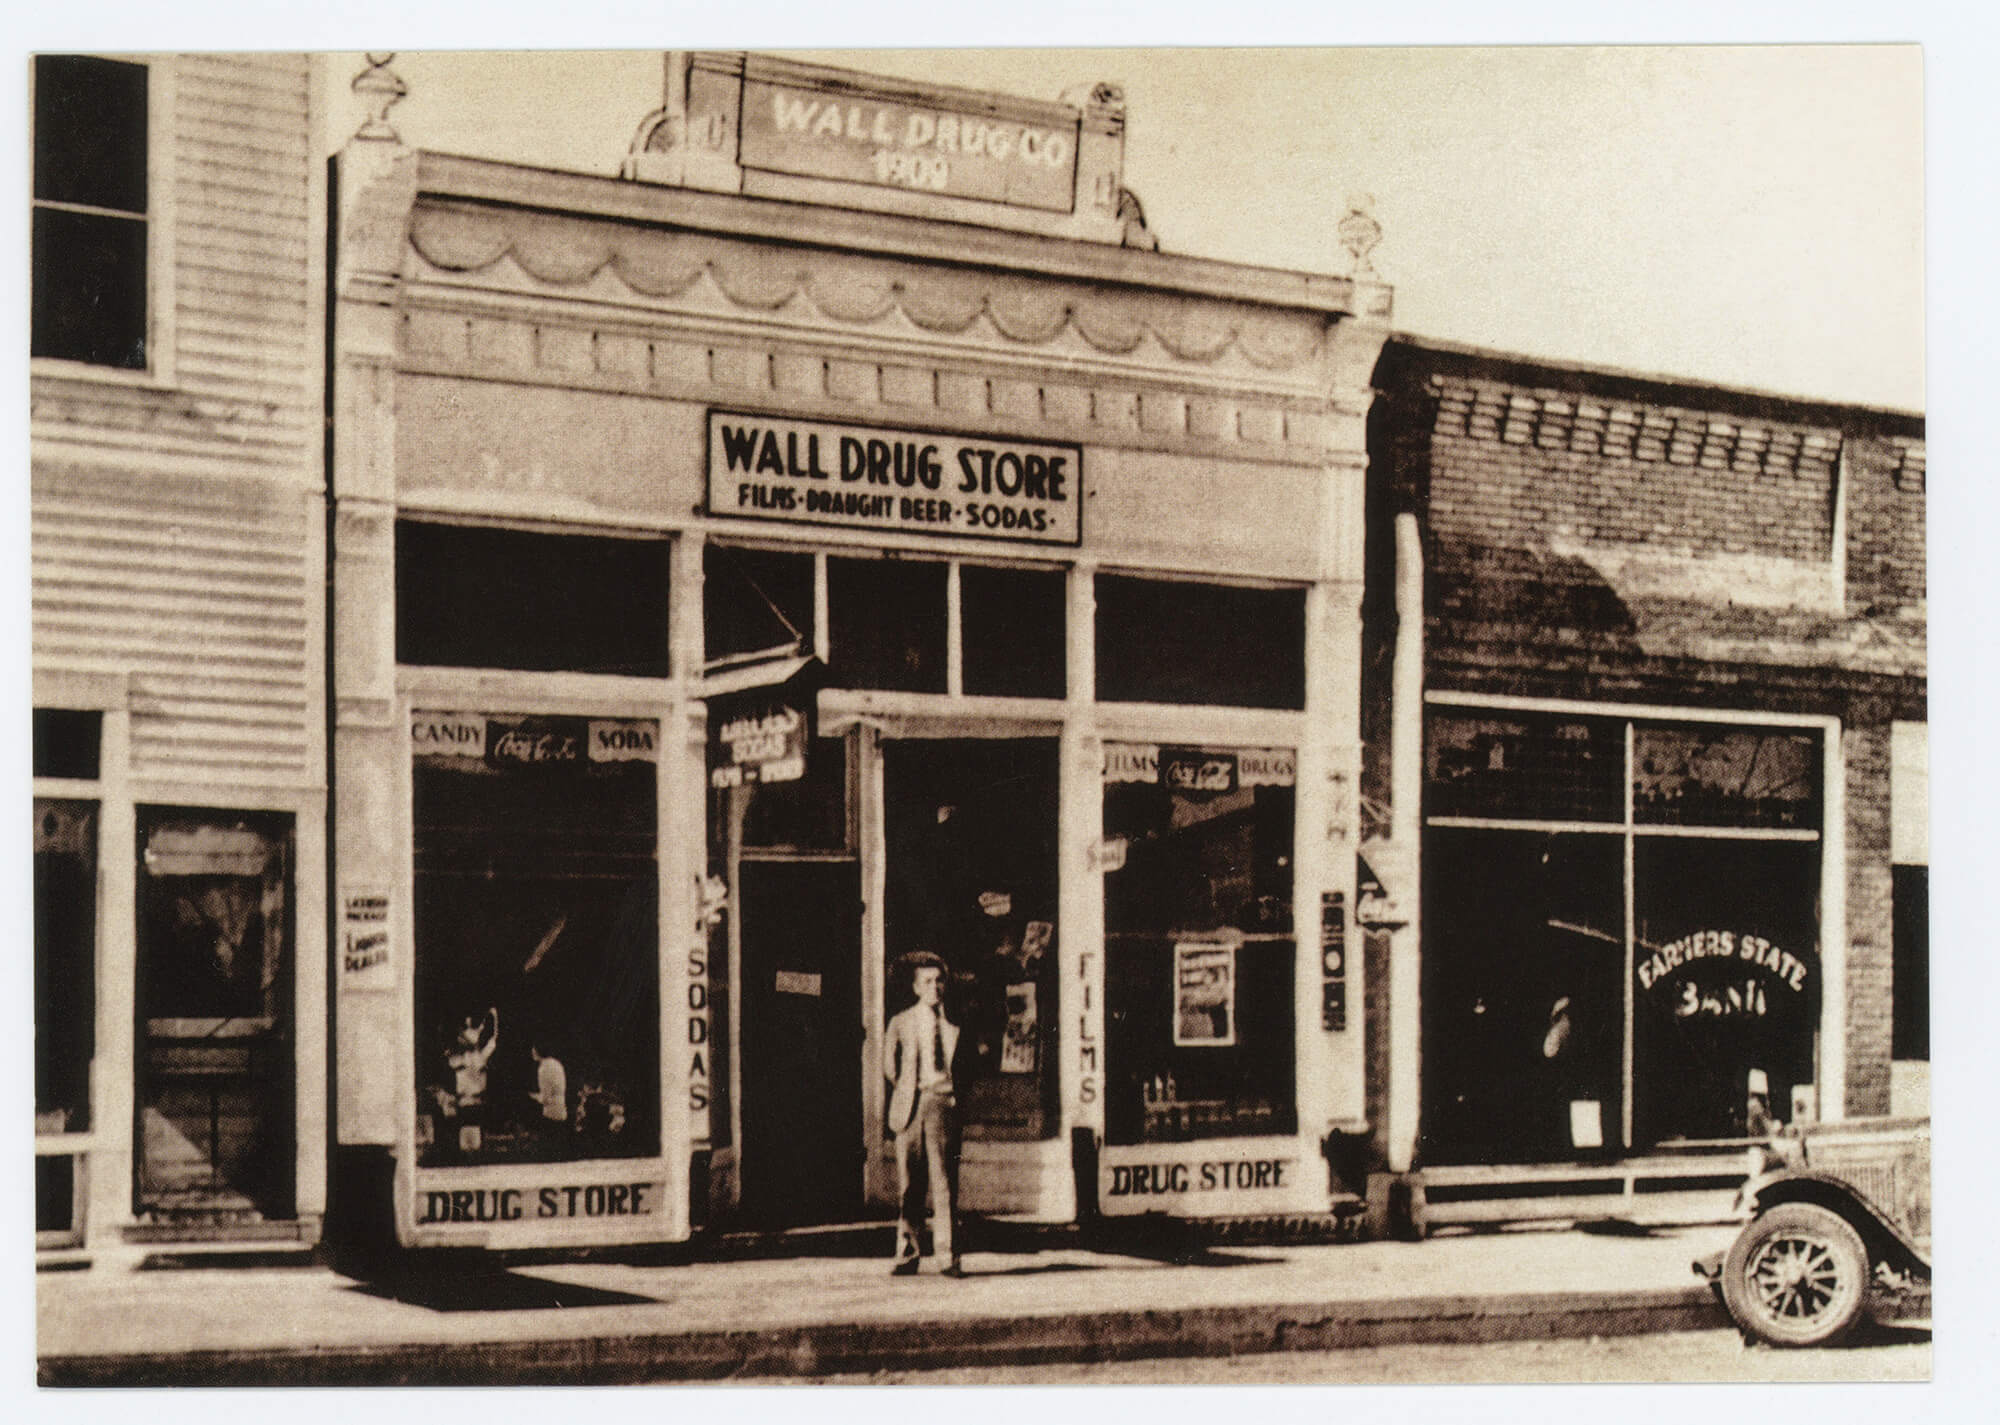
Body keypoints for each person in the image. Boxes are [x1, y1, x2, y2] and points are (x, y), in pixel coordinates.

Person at [884, 951, 963, 1277]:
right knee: (910, 1184)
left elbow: (968, 1064)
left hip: (942, 1104)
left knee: (944, 1184)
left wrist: (951, 1094)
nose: (935, 987)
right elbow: (890, 1066)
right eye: (927, 982)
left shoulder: (956, 1022)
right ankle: (908, 1253)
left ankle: (948, 1257)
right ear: (916, 988)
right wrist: (908, 1088)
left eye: (939, 980)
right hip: (911, 1104)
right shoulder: (901, 1023)